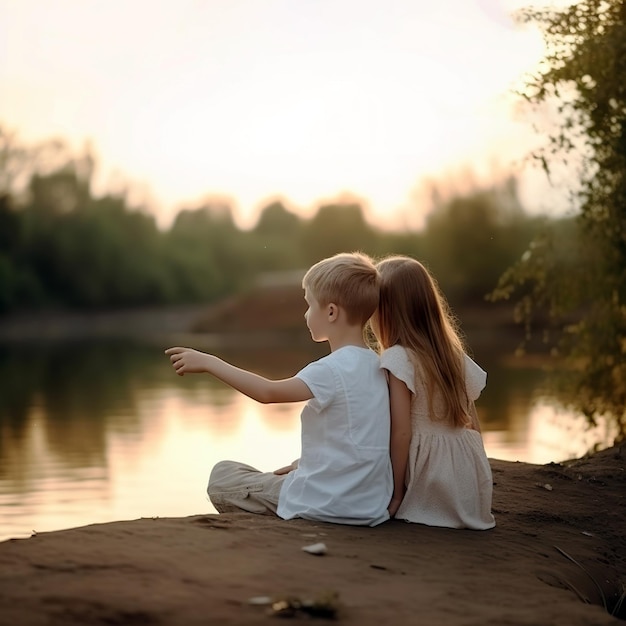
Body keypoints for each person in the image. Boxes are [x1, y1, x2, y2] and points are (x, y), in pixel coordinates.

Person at [165, 252, 392, 527]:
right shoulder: (379, 366)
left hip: (327, 503)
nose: (306, 314)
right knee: (274, 473)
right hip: (368, 504)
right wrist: (302, 464)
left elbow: (268, 393)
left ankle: (281, 511)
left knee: (222, 475)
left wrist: (210, 362)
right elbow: (356, 437)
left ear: (331, 312)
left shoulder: (330, 369)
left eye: (309, 305)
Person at [371, 255, 495, 530]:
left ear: (385, 312)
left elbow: (401, 433)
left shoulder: (398, 359)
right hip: (466, 476)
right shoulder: (454, 356)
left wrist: (397, 494)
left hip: (431, 477)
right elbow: (473, 425)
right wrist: (478, 477)